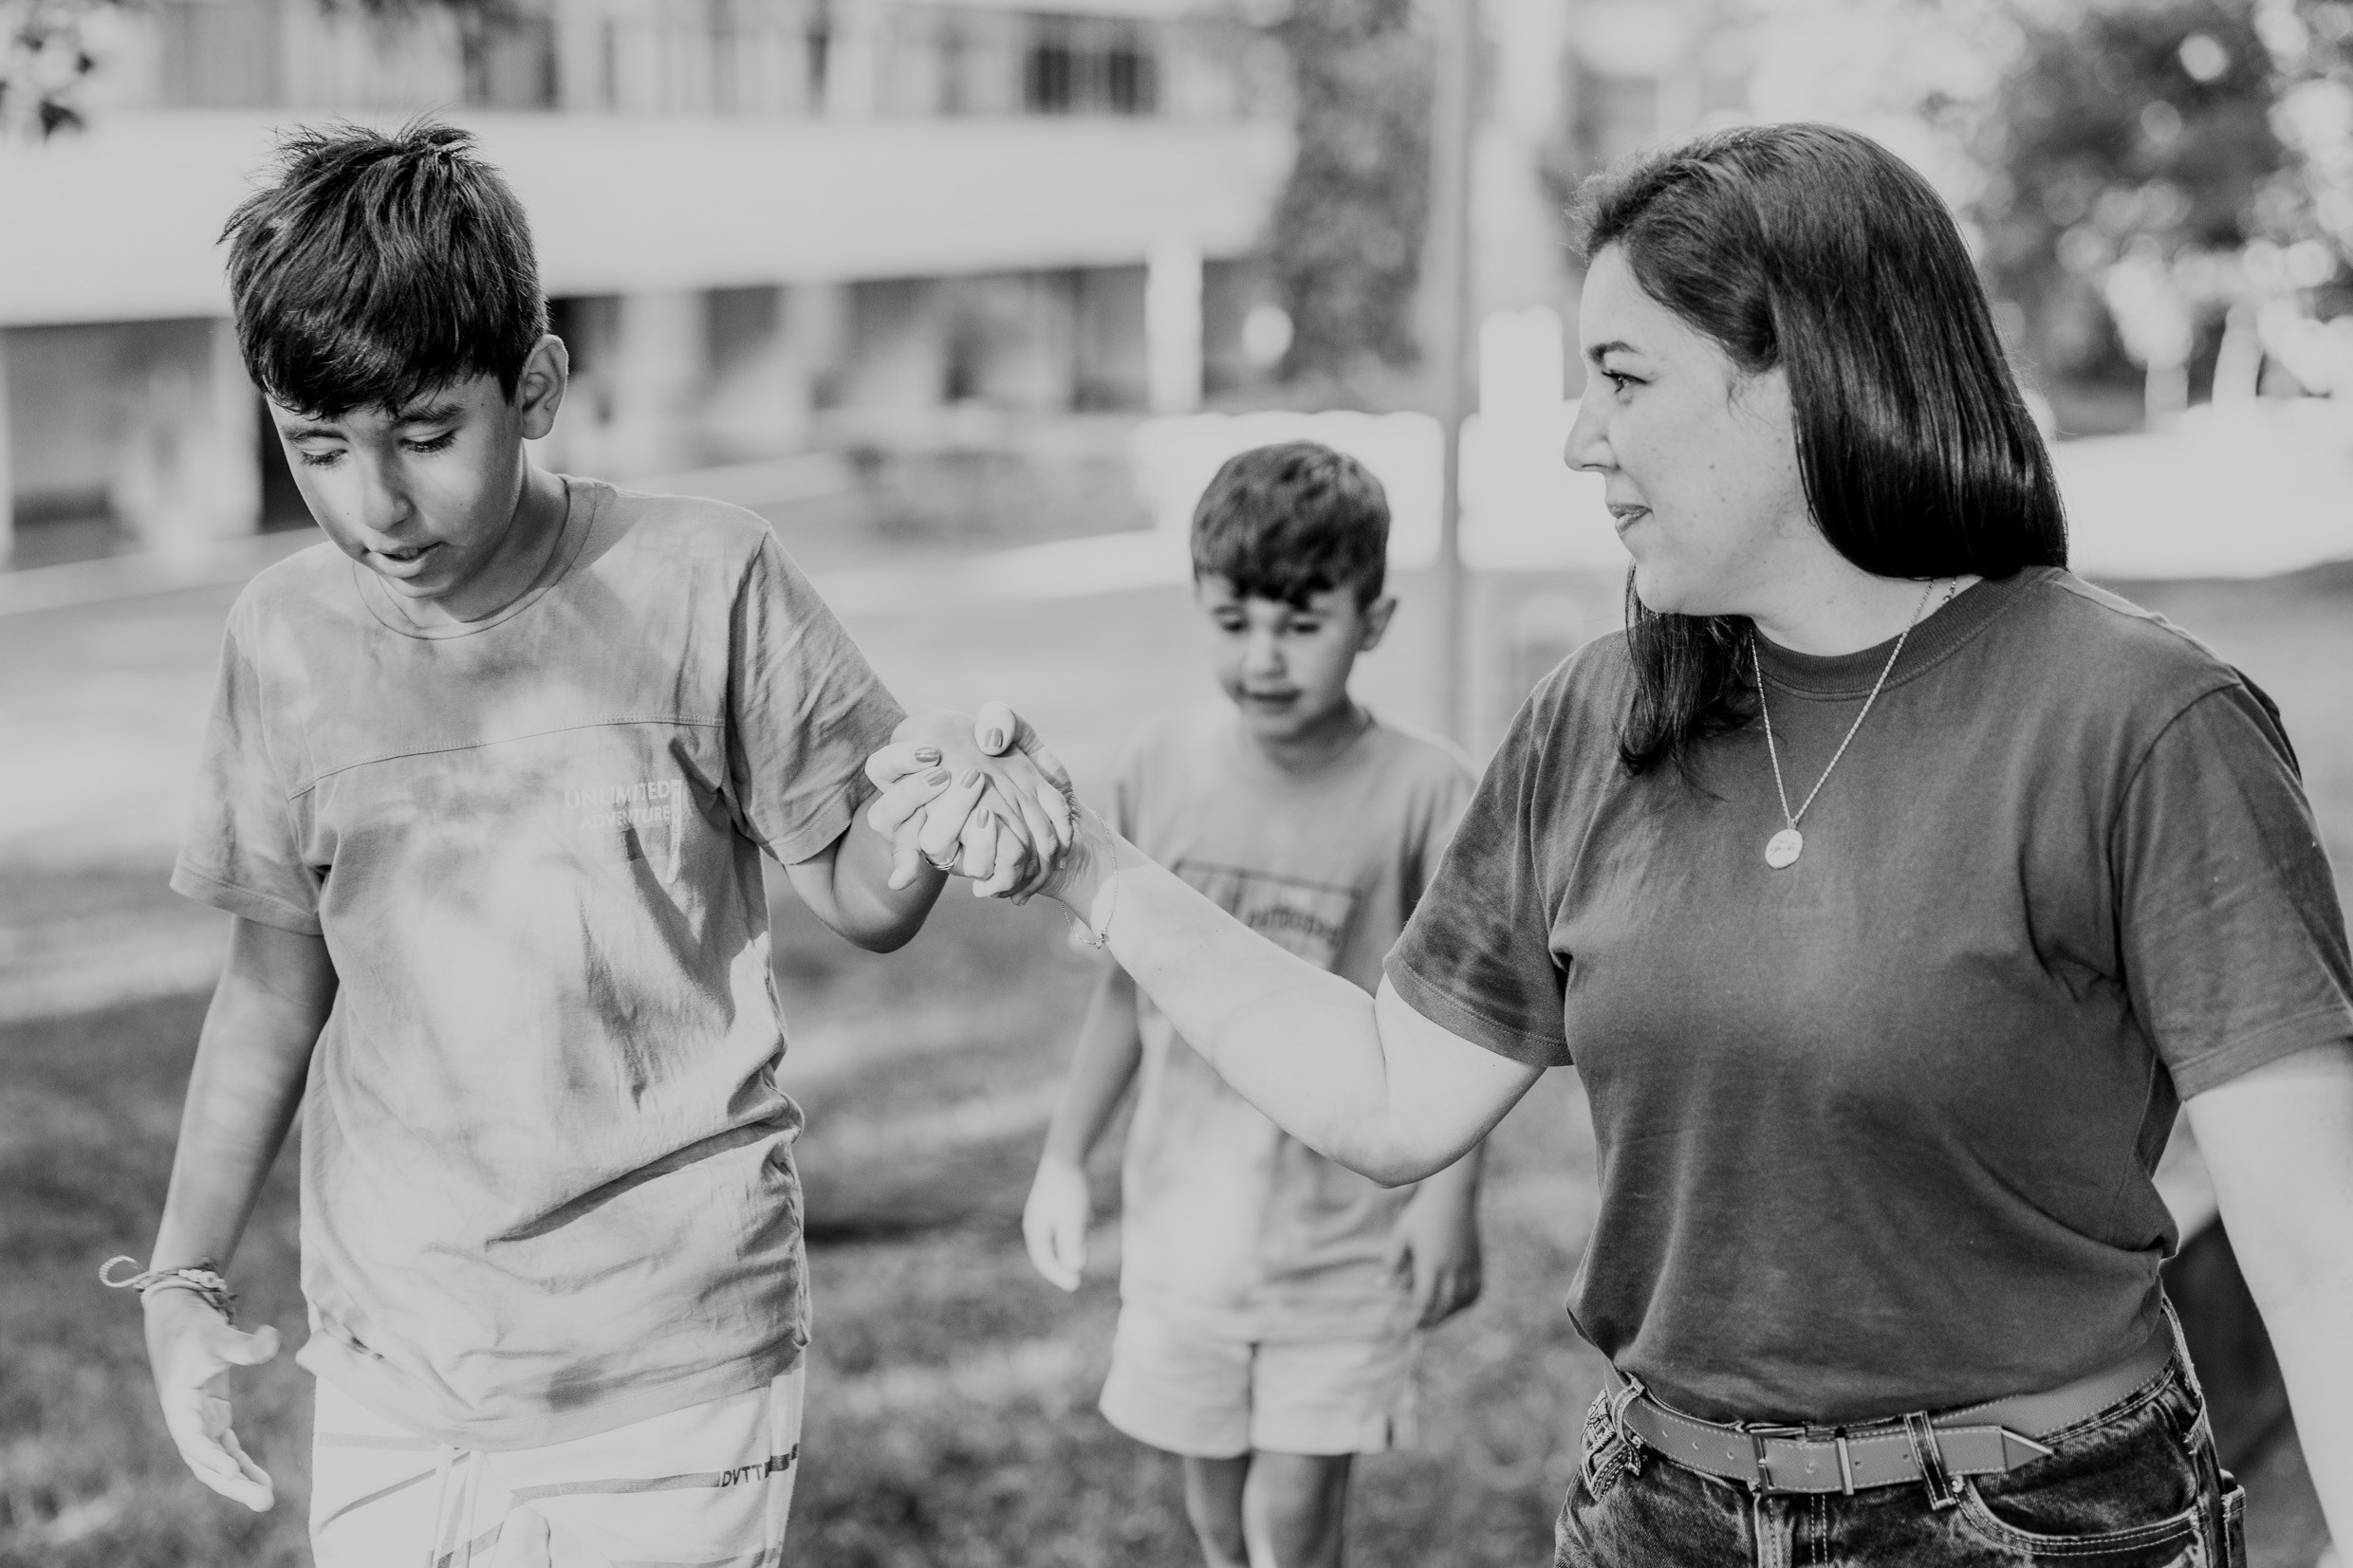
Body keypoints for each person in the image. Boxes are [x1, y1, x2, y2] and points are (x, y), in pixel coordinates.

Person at [872, 123, 2353, 1566]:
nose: (1581, 439)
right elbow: (1389, 1092)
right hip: (1659, 1510)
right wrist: (1084, 861)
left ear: (1805, 378)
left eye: (1624, 378)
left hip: (2035, 1523)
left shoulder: (2143, 722)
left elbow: (2318, 1252)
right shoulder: (1599, 718)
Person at [102, 120, 1067, 1567]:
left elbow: (863, 890)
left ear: (538, 386)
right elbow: (269, 991)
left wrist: (939, 803)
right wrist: (183, 1275)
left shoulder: (707, 579)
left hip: (676, 1361)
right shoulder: (281, 638)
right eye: (317, 448)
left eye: (428, 437)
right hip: (393, 1365)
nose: (376, 505)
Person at [1021, 442, 1485, 1568]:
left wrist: (1446, 1201)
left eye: (1300, 623)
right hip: (1187, 1240)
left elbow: (1467, 1023)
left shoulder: (1426, 791)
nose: (1263, 658)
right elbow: (1124, 994)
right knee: (1221, 1525)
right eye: (1234, 622)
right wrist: (1064, 1157)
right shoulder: (1158, 765)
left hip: (1340, 1248)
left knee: (1291, 1527)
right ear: (1198, 604)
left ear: (1372, 621)